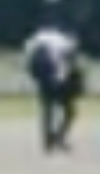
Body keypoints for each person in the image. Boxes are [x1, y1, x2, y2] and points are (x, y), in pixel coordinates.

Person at [22, 22, 79, 154]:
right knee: (69, 112)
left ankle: (47, 141)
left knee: (47, 110)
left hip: (42, 80)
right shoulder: (63, 40)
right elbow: (68, 59)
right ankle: (59, 137)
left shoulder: (35, 39)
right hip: (57, 78)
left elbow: (28, 62)